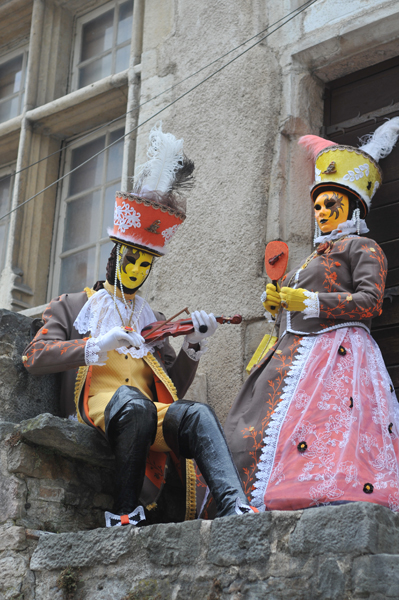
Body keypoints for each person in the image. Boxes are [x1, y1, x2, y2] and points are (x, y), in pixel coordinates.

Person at [23, 123, 254, 526]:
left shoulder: (153, 320)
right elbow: (34, 356)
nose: (135, 269)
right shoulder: (74, 305)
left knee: (194, 413)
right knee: (135, 407)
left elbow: (170, 389)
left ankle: (234, 505)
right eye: (130, 259)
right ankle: (126, 509)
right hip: (100, 410)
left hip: (145, 413)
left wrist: (193, 347)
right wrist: (95, 346)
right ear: (115, 256)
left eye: (144, 263)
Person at [224, 118, 399, 513]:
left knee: (329, 431)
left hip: (340, 355)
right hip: (293, 354)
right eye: (317, 205)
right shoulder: (309, 260)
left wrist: (313, 303)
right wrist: (278, 307)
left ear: (351, 206)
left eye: (330, 205)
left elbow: (371, 300)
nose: (320, 212)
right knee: (258, 428)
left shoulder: (363, 247)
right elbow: (298, 304)